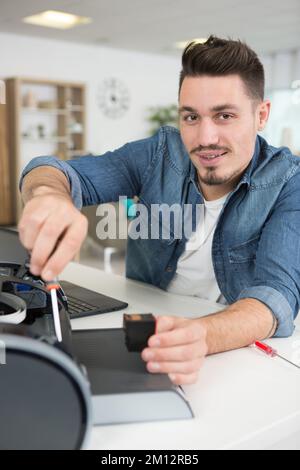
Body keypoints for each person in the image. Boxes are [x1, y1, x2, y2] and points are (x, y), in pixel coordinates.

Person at [19, 36, 300, 385]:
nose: (205, 137)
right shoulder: (159, 153)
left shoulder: (289, 180)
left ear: (262, 115)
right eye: (191, 117)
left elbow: (275, 297)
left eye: (224, 115)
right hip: (143, 334)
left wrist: (203, 335)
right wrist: (49, 194)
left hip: (233, 353)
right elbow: (58, 170)